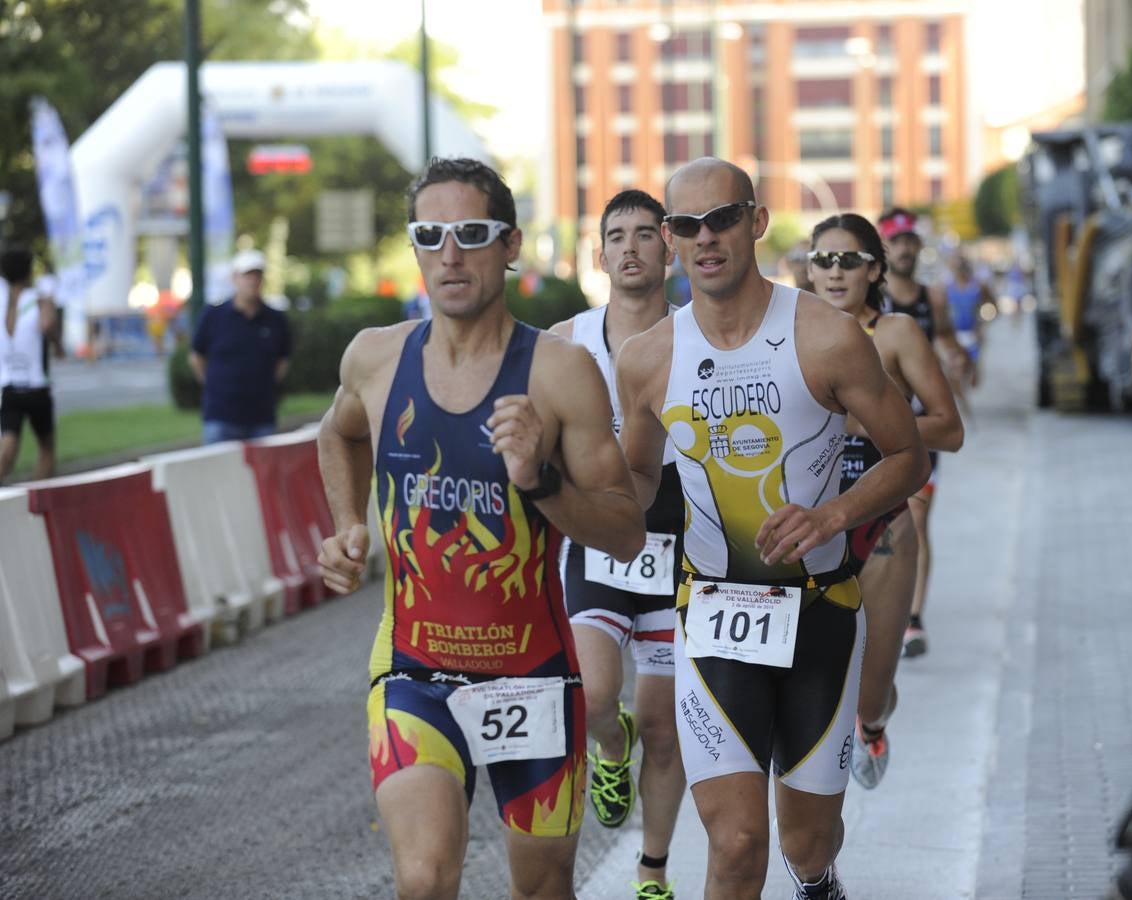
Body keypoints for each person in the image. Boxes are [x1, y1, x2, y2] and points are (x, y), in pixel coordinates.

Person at [315, 157, 645, 900]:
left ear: (511, 244)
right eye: (430, 235)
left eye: (471, 232)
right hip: (413, 671)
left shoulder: (559, 373)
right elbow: (336, 434)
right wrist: (345, 525)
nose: (450, 254)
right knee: (425, 878)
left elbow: (625, 532)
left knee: (541, 888)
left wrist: (539, 479)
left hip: (534, 677)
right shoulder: (375, 358)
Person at [616, 157, 929, 900]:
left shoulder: (826, 337)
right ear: (669, 240)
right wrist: (555, 484)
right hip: (713, 616)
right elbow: (632, 482)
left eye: (722, 218)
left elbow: (908, 455)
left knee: (805, 839)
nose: (706, 238)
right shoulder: (648, 359)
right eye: (687, 226)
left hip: (820, 610)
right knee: (736, 841)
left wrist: (834, 514)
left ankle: (818, 881)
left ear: (756, 221)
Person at [548, 189, 686, 900]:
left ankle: (652, 871)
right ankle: (609, 744)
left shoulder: (697, 336)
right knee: (595, 695)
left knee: (665, 731)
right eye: (616, 236)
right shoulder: (565, 340)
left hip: (678, 549)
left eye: (645, 234)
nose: (630, 247)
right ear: (600, 254)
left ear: (669, 248)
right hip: (597, 548)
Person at [805, 213, 964, 790]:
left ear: (874, 268)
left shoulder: (896, 334)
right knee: (807, 684)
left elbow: (949, 428)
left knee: (870, 693)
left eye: (849, 260)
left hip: (883, 526)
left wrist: (872, 424)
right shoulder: (789, 333)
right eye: (823, 260)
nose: (835, 272)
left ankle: (872, 725)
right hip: (807, 527)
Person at [875, 207, 966, 658]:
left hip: (921, 430)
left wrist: (957, 360)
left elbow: (947, 338)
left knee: (917, 517)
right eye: (897, 241)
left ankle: (912, 618)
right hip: (873, 431)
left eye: (911, 240)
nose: (906, 248)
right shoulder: (871, 300)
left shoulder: (933, 297)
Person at [189, 249, 292, 444]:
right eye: (247, 275)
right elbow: (196, 356)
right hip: (220, 416)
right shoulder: (213, 315)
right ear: (235, 278)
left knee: (262, 474)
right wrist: (214, 385)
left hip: (262, 417)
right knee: (219, 472)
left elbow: (283, 359)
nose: (252, 281)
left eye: (257, 275)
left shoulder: (275, 319)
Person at [0, 245, 59, 482]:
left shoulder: (3, 298)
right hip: (36, 386)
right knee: (46, 447)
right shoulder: (37, 299)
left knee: (8, 445)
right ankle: (39, 495)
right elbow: (47, 326)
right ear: (28, 272)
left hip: (10, 385)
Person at [944, 252, 994, 387]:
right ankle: (962, 406)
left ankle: (965, 401)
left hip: (973, 334)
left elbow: (992, 306)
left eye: (960, 265)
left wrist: (982, 325)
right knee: (955, 373)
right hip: (954, 334)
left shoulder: (978, 286)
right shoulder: (945, 288)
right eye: (954, 265)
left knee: (972, 379)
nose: (958, 269)